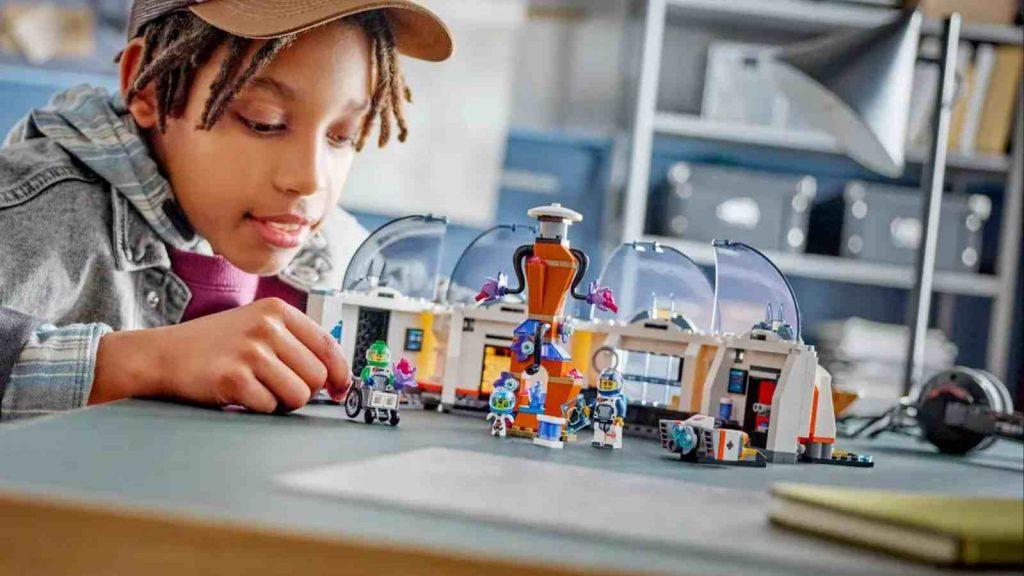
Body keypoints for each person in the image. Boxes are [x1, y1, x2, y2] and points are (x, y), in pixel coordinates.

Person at [0, 0, 453, 420]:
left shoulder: (342, 248)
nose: (310, 179)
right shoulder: (30, 209)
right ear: (151, 89)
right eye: (264, 122)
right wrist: (144, 363)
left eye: (343, 135)